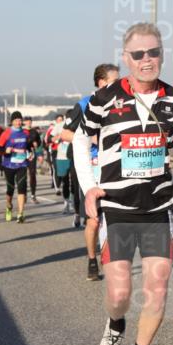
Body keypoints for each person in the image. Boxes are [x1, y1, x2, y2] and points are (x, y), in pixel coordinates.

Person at [75, 23, 173, 345]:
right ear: (126, 58)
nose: (147, 60)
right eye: (139, 54)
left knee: (157, 287)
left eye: (154, 52)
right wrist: (89, 188)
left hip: (158, 206)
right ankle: (115, 325)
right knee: (119, 294)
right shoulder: (105, 98)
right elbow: (82, 141)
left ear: (162, 54)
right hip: (118, 206)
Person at [62, 63, 120, 280]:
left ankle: (112, 261)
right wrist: (91, 138)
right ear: (101, 83)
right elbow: (65, 134)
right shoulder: (84, 104)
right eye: (115, 80)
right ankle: (92, 260)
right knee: (94, 220)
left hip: (114, 170)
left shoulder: (121, 105)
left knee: (115, 218)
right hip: (91, 171)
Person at [0, 111, 31, 223]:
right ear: (12, 122)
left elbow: (29, 145)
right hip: (9, 165)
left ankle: (20, 214)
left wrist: (31, 152)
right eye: (16, 120)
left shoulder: (26, 132)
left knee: (21, 187)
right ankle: (9, 206)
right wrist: (5, 151)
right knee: (10, 189)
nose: (18, 122)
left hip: (22, 164)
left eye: (20, 120)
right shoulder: (7, 133)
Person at [23, 117, 42, 203]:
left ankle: (33, 195)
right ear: (24, 122)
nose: (29, 123)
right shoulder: (21, 131)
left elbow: (39, 142)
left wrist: (36, 144)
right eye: (27, 121)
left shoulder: (34, 131)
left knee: (32, 174)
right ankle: (23, 194)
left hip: (31, 154)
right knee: (22, 175)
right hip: (22, 154)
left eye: (30, 121)